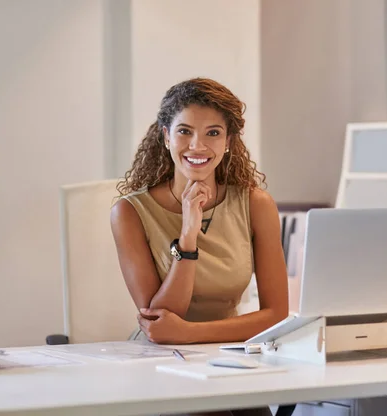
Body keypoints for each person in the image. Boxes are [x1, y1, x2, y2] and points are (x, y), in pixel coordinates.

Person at [110, 77, 288, 416]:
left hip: (226, 358)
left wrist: (191, 333)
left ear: (229, 142)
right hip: (160, 364)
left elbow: (275, 315)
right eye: (184, 131)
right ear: (165, 136)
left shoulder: (256, 205)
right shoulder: (130, 212)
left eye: (213, 133)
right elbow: (160, 320)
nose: (197, 145)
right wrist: (188, 235)